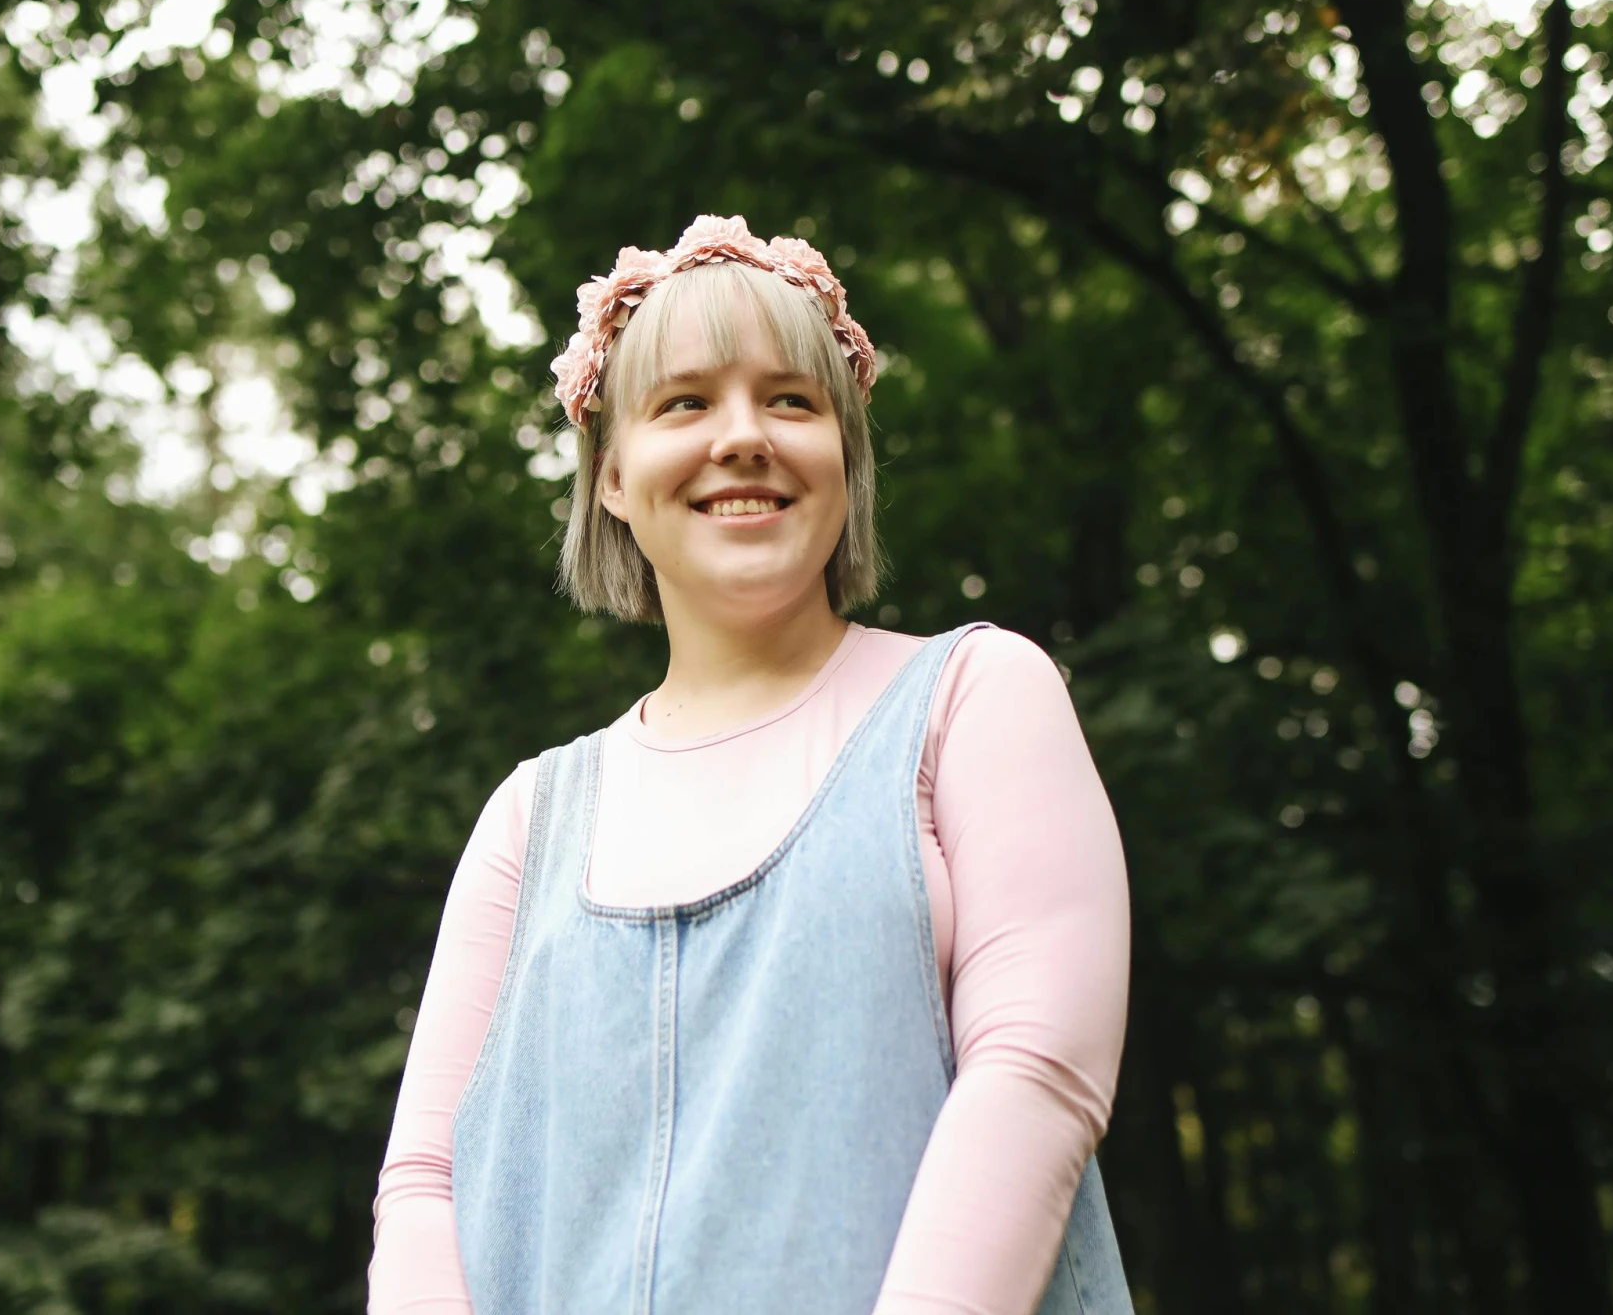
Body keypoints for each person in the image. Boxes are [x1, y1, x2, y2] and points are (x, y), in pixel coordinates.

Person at [367, 216, 1134, 1314]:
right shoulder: (530, 817)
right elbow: (425, 1181)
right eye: (684, 402)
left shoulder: (975, 698)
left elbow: (1037, 1074)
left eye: (791, 399)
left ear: (845, 454)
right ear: (613, 479)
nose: (743, 436)